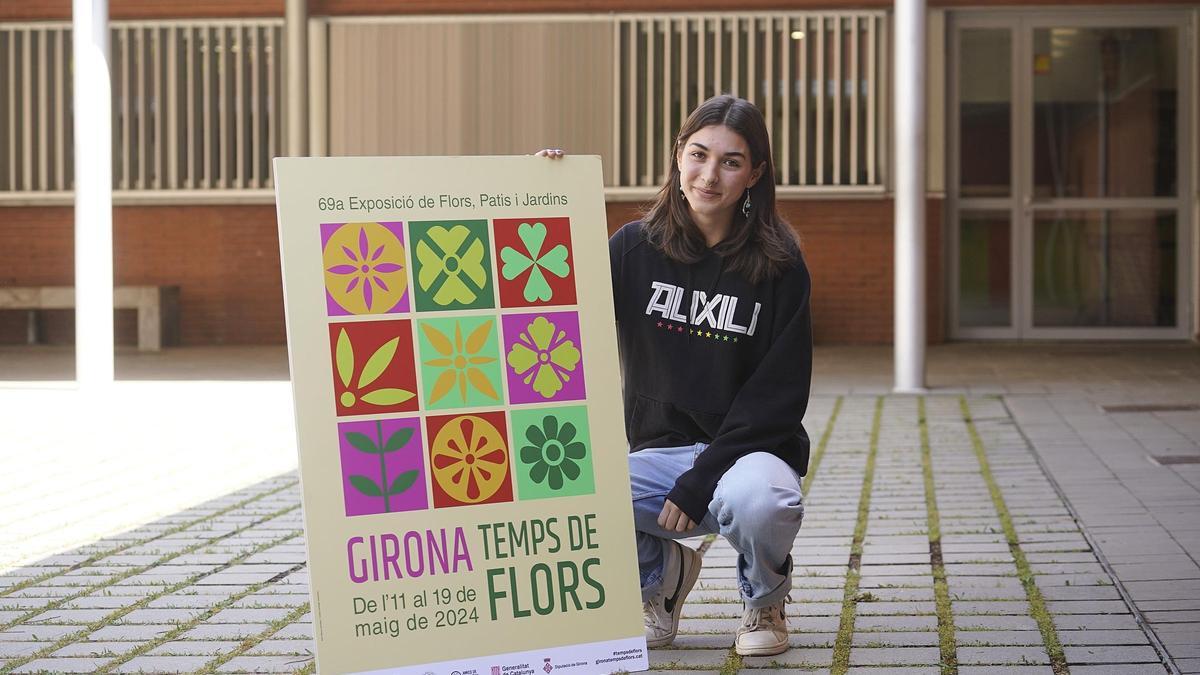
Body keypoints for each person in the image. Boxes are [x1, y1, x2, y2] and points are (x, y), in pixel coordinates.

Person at [538, 94, 811, 657]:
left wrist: (702, 476)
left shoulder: (779, 264)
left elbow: (779, 397)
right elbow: (552, 305)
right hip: (658, 452)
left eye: (731, 162)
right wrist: (538, 197)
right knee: (557, 493)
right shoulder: (633, 249)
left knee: (762, 502)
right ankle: (660, 578)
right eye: (698, 155)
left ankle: (765, 599)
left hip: (750, 455)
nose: (709, 175)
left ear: (754, 174)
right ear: (678, 155)